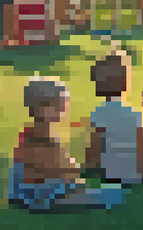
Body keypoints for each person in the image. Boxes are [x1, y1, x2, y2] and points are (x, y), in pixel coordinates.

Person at [9, 78, 127, 211]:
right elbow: (66, 173)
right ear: (43, 109)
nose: (63, 110)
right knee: (113, 195)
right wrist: (74, 175)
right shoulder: (41, 139)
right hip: (39, 196)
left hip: (34, 191)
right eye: (59, 106)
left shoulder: (32, 133)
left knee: (106, 192)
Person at [85, 49, 143, 185]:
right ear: (125, 82)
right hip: (134, 176)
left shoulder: (98, 114)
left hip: (110, 175)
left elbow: (95, 148)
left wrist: (87, 169)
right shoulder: (136, 114)